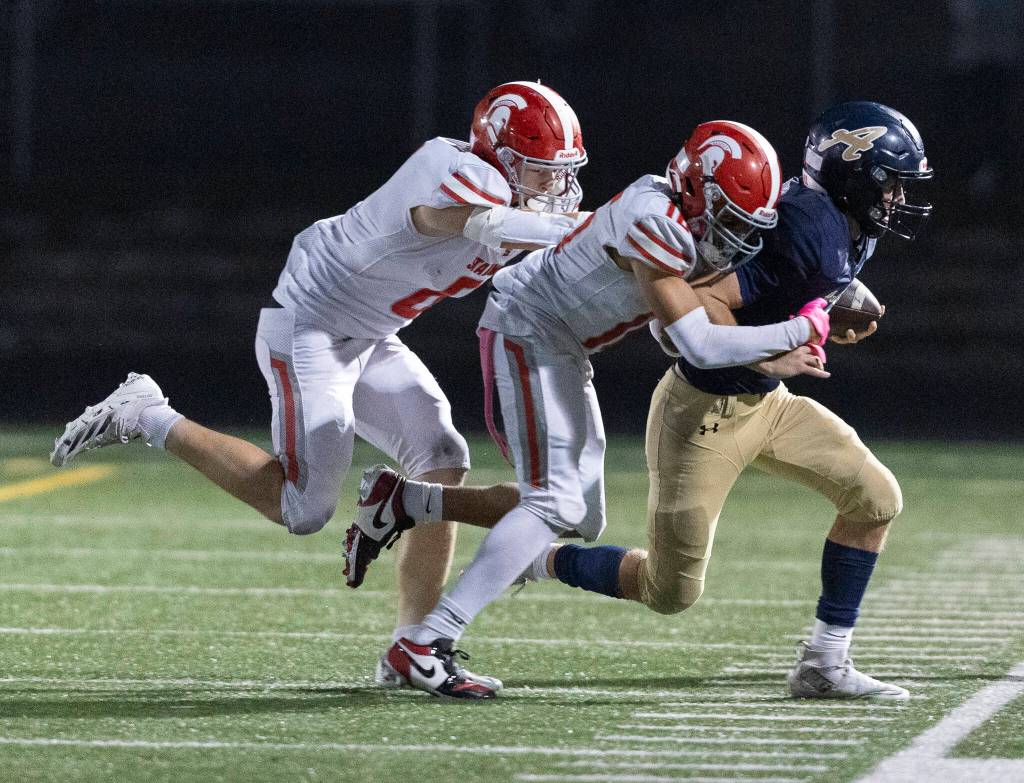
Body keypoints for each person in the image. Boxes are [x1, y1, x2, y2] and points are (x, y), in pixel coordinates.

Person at [49, 80, 591, 692]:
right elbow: (457, 220)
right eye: (540, 171)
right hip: (312, 324)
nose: (554, 186)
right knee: (303, 508)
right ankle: (145, 412)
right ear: (499, 154)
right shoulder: (455, 169)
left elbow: (537, 251)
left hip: (371, 332)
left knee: (443, 456)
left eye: (559, 171)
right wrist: (588, 227)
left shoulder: (516, 208)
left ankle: (413, 648)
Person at [346, 120, 833, 699]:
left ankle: (406, 500)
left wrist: (774, 346)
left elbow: (672, 332)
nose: (736, 239)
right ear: (698, 190)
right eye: (729, 218)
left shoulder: (670, 211)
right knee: (554, 501)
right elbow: (699, 342)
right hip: (528, 328)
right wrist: (801, 326)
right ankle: (426, 643)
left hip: (559, 342)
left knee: (583, 518)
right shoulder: (660, 224)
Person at [518, 101, 934, 701]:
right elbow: (702, 299)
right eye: (890, 184)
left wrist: (818, 314)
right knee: (669, 592)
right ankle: (543, 560)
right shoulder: (810, 227)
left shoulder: (842, 225)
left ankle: (823, 662)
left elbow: (789, 290)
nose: (897, 199)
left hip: (766, 405)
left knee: (875, 499)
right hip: (701, 415)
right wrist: (772, 350)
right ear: (853, 177)